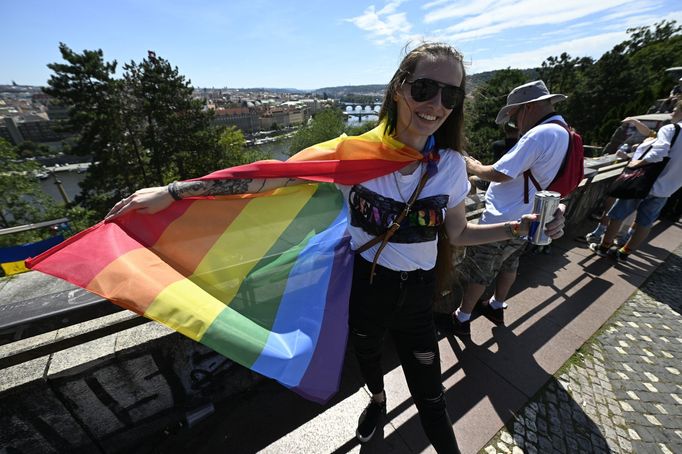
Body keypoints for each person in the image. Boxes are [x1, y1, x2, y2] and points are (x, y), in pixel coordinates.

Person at [107, 44, 565, 453]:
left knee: (431, 397)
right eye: (425, 88)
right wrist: (176, 191)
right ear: (399, 89)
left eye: (451, 95)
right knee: (367, 359)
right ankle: (378, 401)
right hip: (369, 286)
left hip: (418, 295)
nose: (436, 105)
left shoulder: (447, 167)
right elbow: (272, 175)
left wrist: (518, 228)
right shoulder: (353, 156)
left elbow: (460, 235)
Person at [451, 80, 570, 338]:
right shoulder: (563, 131)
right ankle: (496, 305)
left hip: (501, 217)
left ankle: (462, 318)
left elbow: (500, 173)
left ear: (526, 108)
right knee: (509, 264)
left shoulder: (539, 134)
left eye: (514, 118)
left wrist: (472, 165)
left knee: (479, 272)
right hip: (528, 215)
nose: (515, 125)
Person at [589, 100, 682, 262]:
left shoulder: (671, 129)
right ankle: (625, 252)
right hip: (666, 189)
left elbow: (658, 153)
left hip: (643, 182)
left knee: (617, 215)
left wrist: (635, 163)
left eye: (675, 110)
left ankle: (604, 247)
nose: (672, 113)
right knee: (645, 223)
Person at [585, 117, 658, 244]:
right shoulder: (670, 137)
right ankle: (623, 241)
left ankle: (604, 240)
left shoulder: (670, 134)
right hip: (654, 184)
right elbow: (650, 134)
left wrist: (631, 162)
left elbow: (654, 156)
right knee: (639, 216)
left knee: (615, 209)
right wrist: (635, 122)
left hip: (637, 178)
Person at [469, 122, 519, 194]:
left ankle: (474, 205)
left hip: (497, 180)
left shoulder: (498, 145)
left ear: (504, 130)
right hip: (516, 181)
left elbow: (496, 167)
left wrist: (479, 166)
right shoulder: (522, 145)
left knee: (471, 179)